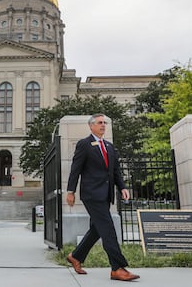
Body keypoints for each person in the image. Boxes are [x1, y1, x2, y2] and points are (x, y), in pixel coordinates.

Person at [66, 114, 140, 281]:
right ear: (91, 126)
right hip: (91, 194)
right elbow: (75, 169)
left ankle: (76, 256)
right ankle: (117, 268)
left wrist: (122, 187)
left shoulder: (109, 146)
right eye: (99, 123)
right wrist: (70, 191)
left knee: (97, 229)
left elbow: (115, 171)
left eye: (104, 123)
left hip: (106, 194)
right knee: (108, 229)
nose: (103, 125)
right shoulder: (84, 144)